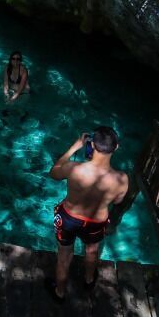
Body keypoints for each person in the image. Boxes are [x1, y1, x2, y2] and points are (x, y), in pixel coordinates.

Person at [46, 126, 129, 302]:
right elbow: (118, 202)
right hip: (96, 222)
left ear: (91, 144)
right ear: (116, 147)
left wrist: (74, 147)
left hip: (68, 218)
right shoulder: (121, 179)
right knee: (92, 250)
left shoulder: (74, 169)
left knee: (64, 254)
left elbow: (53, 173)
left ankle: (60, 292)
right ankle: (89, 280)